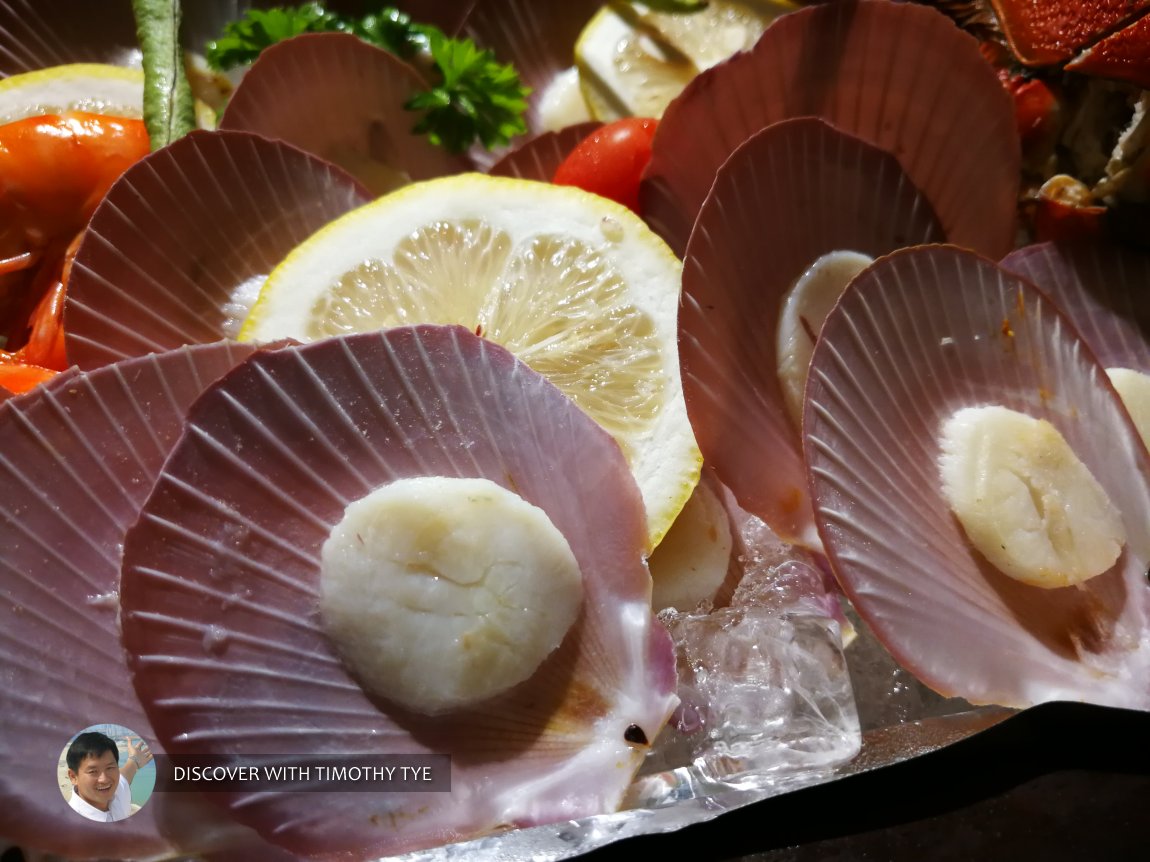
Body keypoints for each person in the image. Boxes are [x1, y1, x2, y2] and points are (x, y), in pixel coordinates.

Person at [65, 731, 152, 822]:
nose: (104, 779)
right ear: (73, 777)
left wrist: (134, 760)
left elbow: (126, 773)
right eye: (93, 771)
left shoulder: (117, 792)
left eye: (110, 768)